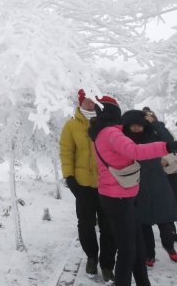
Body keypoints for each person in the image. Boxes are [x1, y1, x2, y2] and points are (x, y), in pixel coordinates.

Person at [88, 96, 177, 286]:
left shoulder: (105, 132)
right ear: (113, 112)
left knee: (136, 246)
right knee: (128, 250)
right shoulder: (111, 133)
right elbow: (135, 151)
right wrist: (167, 146)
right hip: (117, 197)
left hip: (123, 195)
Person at [59, 89, 116, 282]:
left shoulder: (105, 123)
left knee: (109, 225)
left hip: (107, 184)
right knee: (85, 225)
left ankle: (107, 264)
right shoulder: (71, 125)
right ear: (81, 102)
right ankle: (92, 256)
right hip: (83, 185)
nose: (91, 104)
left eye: (94, 101)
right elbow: (66, 152)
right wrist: (69, 177)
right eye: (87, 101)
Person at [125, 109, 177, 266]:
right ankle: (149, 253)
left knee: (165, 220)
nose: (136, 129)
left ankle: (169, 247)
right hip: (137, 183)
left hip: (158, 182)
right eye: (133, 126)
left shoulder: (152, 136)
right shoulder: (126, 141)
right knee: (143, 222)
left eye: (139, 126)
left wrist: (155, 122)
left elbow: (168, 140)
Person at [145, 109, 177, 243]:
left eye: (150, 116)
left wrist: (166, 160)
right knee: (164, 203)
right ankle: (171, 231)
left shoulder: (164, 130)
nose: (148, 119)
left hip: (173, 171)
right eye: (145, 117)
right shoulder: (144, 134)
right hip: (156, 174)